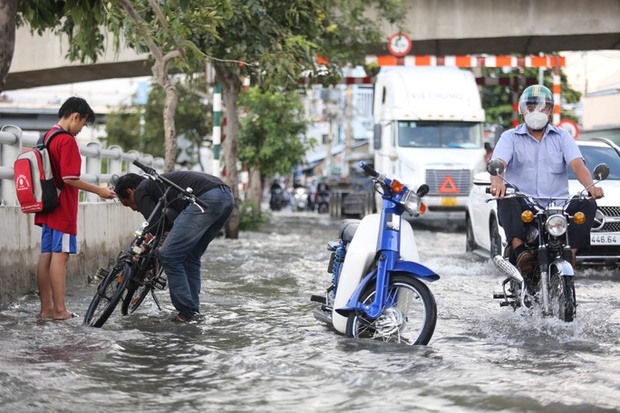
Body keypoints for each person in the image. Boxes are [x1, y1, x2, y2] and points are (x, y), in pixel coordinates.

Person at [489, 85, 604, 275]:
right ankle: (520, 251)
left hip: (558, 208)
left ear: (550, 111)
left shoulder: (562, 137)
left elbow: (577, 165)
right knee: (506, 198)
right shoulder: (509, 137)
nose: (537, 112)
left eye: (543, 108)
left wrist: (591, 186)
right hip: (524, 206)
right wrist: (497, 182)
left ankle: (570, 254)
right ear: (523, 110)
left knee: (588, 204)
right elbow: (498, 163)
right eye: (532, 107)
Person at [113, 170, 234, 323]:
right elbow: (168, 224)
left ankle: (185, 311)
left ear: (131, 191)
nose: (133, 208)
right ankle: (192, 312)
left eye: (128, 204)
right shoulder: (159, 185)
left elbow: (155, 223)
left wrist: (143, 247)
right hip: (226, 198)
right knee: (191, 256)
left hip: (207, 198)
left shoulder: (142, 189)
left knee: (168, 255)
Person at [35, 97, 116, 320]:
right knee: (60, 256)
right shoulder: (67, 141)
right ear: (75, 116)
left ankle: (46, 309)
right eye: (83, 124)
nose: (82, 129)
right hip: (62, 208)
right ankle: (60, 310)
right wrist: (99, 191)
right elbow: (70, 178)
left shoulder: (47, 136)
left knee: (46, 256)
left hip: (47, 205)